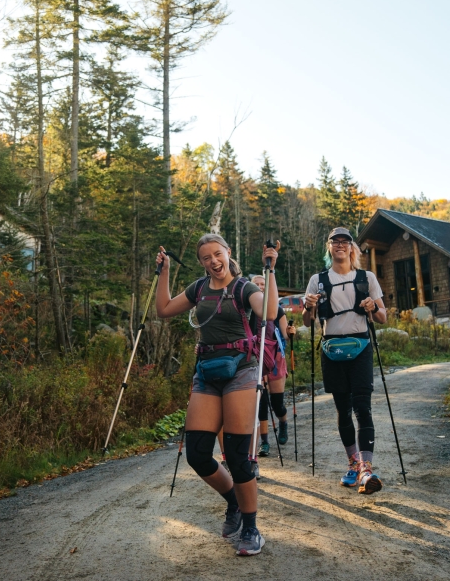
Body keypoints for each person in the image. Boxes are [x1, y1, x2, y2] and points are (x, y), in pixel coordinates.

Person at [157, 235, 279, 556]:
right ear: (201, 263)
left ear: (228, 253)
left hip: (241, 370)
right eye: (206, 257)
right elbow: (164, 309)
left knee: (238, 457)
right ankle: (233, 502)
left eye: (217, 254)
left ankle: (251, 528)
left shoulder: (243, 288)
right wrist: (165, 271)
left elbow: (268, 312)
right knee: (197, 453)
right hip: (207, 372)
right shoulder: (199, 289)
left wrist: (270, 270)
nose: (213, 261)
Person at [301, 227, 388, 494]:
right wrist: (308, 305)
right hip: (332, 350)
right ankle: (354, 464)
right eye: (335, 241)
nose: (340, 245)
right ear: (329, 247)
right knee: (343, 410)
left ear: (352, 248)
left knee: (362, 408)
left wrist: (374, 306)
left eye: (345, 242)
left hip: (360, 346)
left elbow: (383, 317)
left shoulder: (366, 277)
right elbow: (307, 322)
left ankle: (366, 470)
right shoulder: (317, 280)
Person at [249, 274, 289, 458]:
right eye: (256, 284)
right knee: (261, 402)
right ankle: (264, 442)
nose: (260, 286)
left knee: (277, 403)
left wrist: (291, 333)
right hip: (255, 358)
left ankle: (283, 422)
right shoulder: (248, 310)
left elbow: (285, 334)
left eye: (263, 283)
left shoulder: (277, 310)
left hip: (276, 357)